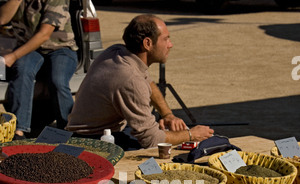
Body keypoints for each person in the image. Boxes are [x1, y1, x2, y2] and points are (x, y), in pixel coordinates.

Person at [66, 14, 214, 150]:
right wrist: (191, 135)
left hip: (87, 133)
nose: (170, 45)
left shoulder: (117, 52)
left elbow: (148, 82)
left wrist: (167, 115)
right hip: (92, 142)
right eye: (166, 39)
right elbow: (151, 140)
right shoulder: (130, 79)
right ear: (148, 43)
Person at [0, 0, 78, 140]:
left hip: (60, 49)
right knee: (22, 71)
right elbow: (3, 19)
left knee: (58, 80)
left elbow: (44, 34)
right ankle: (19, 131)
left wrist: (13, 56)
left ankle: (68, 129)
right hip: (30, 49)